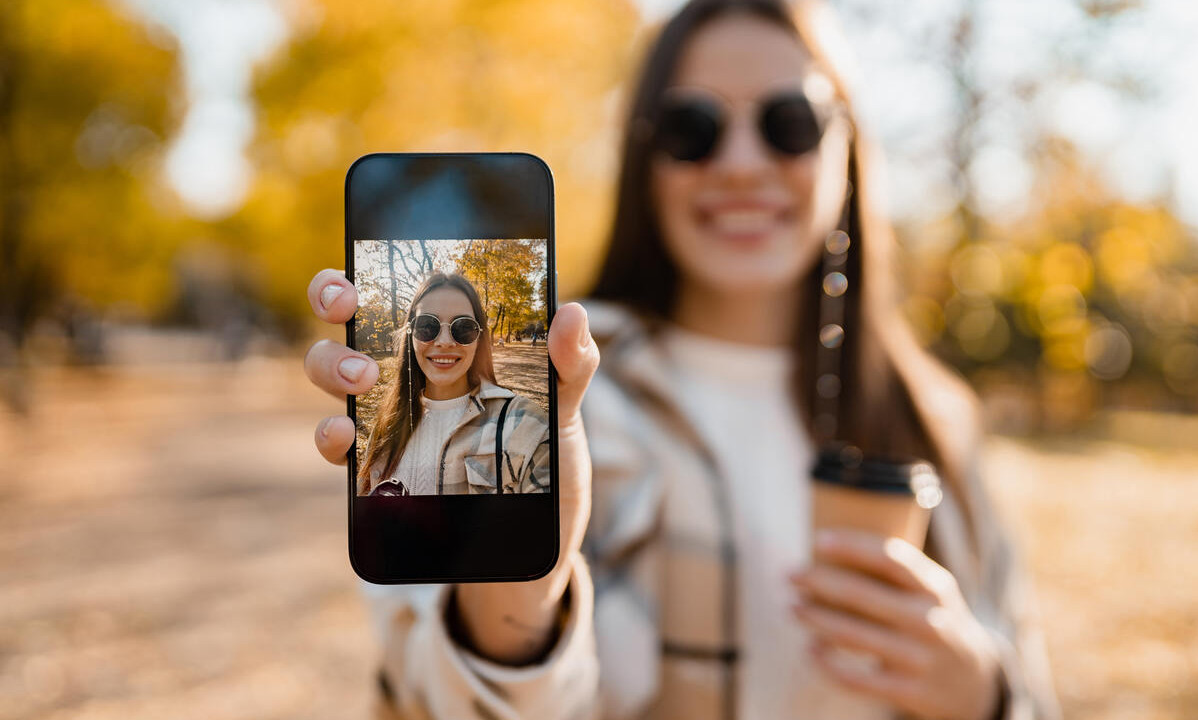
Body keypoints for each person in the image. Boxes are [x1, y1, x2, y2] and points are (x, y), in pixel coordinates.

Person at [303, 0, 1061, 718]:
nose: (738, 163)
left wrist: (984, 692)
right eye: (691, 127)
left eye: (789, 123)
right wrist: (521, 603)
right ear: (644, 158)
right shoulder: (559, 387)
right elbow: (422, 696)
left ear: (849, 150)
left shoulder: (936, 415)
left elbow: (1033, 685)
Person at [356, 271, 551, 496]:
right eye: (427, 326)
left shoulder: (525, 424)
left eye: (463, 328)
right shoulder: (385, 428)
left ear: (479, 338)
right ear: (410, 334)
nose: (445, 342)